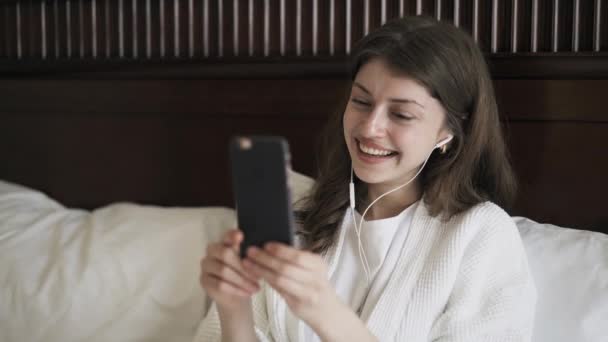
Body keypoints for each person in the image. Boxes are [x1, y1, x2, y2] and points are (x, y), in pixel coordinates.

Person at [194, 16, 536, 342]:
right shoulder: (297, 218)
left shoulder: (479, 236)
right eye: (360, 101)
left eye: (401, 114)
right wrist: (232, 307)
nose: (370, 128)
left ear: (448, 130)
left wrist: (326, 313)